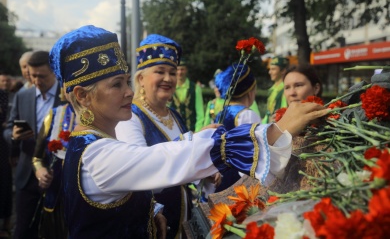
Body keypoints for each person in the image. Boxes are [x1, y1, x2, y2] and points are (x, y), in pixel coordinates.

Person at [50, 25, 328, 238]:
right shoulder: (97, 154)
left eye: (126, 82)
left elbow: (142, 168)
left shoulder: (94, 144)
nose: (129, 92)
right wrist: (274, 132)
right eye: (117, 85)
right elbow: (163, 160)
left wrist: (150, 210)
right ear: (83, 96)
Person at [116, 34, 221, 238]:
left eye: (172, 73)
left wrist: (203, 173)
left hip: (182, 218)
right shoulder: (130, 117)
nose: (168, 79)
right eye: (160, 72)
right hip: (151, 222)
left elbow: (185, 165)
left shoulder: (175, 115)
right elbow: (141, 171)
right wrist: (194, 140)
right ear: (141, 79)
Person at [3, 51, 63, 239]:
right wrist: (13, 135)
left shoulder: (67, 96)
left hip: (58, 176)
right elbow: (8, 128)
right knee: (23, 231)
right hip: (27, 176)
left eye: (42, 76)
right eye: (32, 75)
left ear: (54, 71)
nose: (36, 80)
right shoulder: (23, 96)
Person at [32, 85, 75, 239]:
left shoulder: (100, 117)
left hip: (84, 204)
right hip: (55, 197)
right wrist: (40, 172)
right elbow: (37, 158)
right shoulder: (53, 115)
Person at [214, 64, 262, 191]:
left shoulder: (221, 112)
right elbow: (255, 154)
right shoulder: (248, 114)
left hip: (220, 174)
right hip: (239, 178)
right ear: (250, 91)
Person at [171, 60, 204, 132]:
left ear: (186, 70)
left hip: (192, 132)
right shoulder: (170, 88)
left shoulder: (195, 88)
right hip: (174, 131)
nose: (180, 72)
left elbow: (200, 113)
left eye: (182, 69)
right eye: (178, 69)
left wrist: (197, 131)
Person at [262, 56, 289, 124]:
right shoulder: (272, 89)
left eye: (273, 69)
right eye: (270, 69)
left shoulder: (285, 89)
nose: (269, 72)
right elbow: (268, 112)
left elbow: (284, 111)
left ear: (283, 71)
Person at [0, 87, 12, 239]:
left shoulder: (2, 94)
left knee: (3, 182)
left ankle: (5, 225)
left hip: (1, 147)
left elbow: (3, 120)